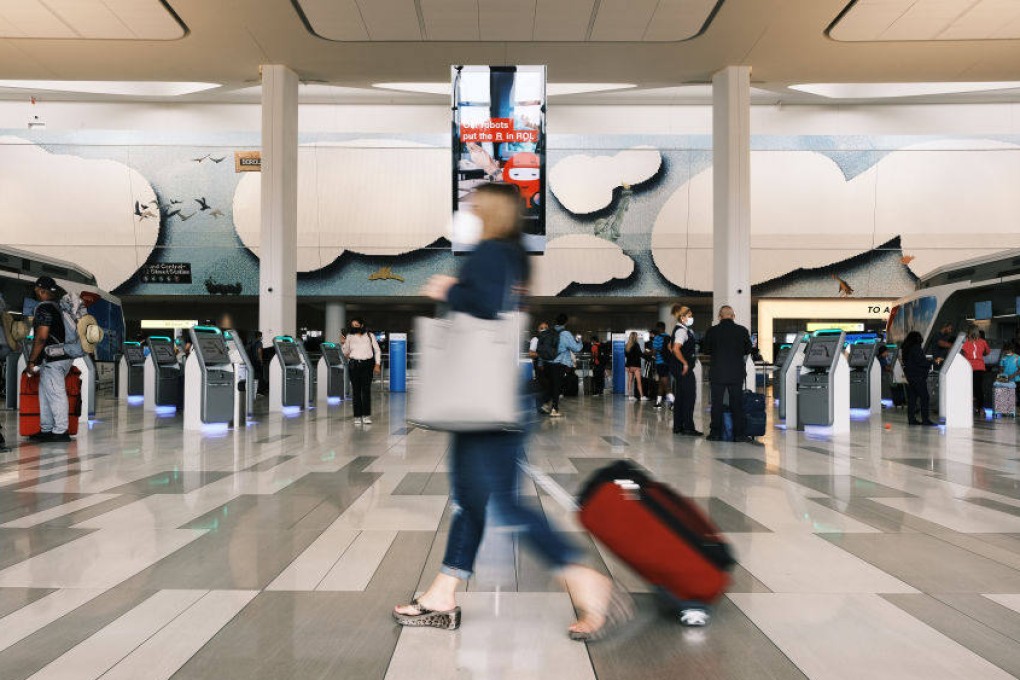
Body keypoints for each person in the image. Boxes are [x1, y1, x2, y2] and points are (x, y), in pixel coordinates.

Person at [394, 182, 627, 640]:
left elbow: (485, 307)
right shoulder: (510, 255)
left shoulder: (493, 253)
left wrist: (449, 289)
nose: (469, 211)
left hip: (485, 398)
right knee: (471, 499)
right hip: (482, 398)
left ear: (493, 211)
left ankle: (584, 579)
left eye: (475, 205)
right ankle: (444, 591)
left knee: (502, 502)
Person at [24, 276, 72, 442]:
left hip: (54, 359)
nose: (35, 292)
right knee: (46, 393)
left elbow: (42, 337)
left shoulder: (44, 308)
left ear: (40, 289)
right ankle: (47, 429)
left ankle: (60, 431)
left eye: (36, 290)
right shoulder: (58, 307)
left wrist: (31, 361)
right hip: (61, 356)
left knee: (55, 393)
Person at [701, 305, 754, 443]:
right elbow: (748, 349)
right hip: (736, 373)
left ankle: (715, 433)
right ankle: (739, 434)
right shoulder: (742, 331)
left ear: (719, 316)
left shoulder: (712, 331)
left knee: (716, 404)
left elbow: (706, 350)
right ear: (733, 316)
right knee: (737, 404)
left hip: (718, 373)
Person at [342, 317, 381, 425]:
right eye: (352, 325)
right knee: (356, 391)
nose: (354, 327)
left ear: (362, 325)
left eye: (356, 325)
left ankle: (366, 416)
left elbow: (377, 350)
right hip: (354, 365)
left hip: (368, 364)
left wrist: (377, 364)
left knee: (366, 390)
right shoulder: (349, 336)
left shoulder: (370, 335)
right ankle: (357, 416)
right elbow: (345, 352)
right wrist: (343, 343)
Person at [671, 304, 702, 436]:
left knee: (681, 398)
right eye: (689, 316)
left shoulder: (682, 330)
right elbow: (675, 348)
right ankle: (688, 427)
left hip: (679, 369)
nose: (691, 318)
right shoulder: (681, 331)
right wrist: (684, 362)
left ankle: (678, 426)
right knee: (689, 397)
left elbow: (670, 346)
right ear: (683, 317)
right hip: (684, 370)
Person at [548, 313, 582, 417]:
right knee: (557, 385)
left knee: (552, 385)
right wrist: (579, 340)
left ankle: (548, 404)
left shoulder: (550, 332)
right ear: (566, 322)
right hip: (560, 362)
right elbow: (576, 348)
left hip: (549, 362)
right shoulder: (565, 333)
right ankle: (554, 409)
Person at [900, 330, 936, 426]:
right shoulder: (916, 348)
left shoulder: (906, 349)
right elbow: (921, 362)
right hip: (918, 377)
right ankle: (925, 420)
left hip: (910, 377)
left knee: (912, 398)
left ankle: (911, 419)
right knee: (924, 397)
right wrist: (933, 361)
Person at [962, 328, 990, 414]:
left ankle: (969, 407)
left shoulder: (965, 342)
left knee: (968, 388)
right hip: (979, 367)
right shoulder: (982, 341)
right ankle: (981, 408)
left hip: (968, 367)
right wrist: (980, 354)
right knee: (978, 388)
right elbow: (987, 352)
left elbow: (962, 353)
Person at [529, 321, 551, 413]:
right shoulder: (535, 339)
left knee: (550, 385)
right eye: (541, 328)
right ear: (538, 330)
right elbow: (531, 353)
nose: (543, 330)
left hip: (549, 365)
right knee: (542, 386)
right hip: (539, 365)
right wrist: (541, 354)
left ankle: (546, 406)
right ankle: (540, 407)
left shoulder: (550, 340)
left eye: (545, 328)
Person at [651, 322, 673, 409]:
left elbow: (654, 351)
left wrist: (650, 352)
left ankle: (673, 403)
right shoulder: (669, 337)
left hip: (660, 363)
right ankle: (658, 402)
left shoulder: (657, 338)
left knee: (666, 384)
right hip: (667, 363)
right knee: (660, 383)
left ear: (659, 328)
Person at [624, 331, 646, 402]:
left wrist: (627, 366)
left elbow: (626, 356)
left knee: (630, 381)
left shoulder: (627, 345)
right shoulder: (636, 345)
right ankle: (642, 396)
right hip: (636, 365)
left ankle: (630, 396)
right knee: (639, 381)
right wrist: (647, 355)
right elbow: (640, 354)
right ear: (635, 337)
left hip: (629, 366)